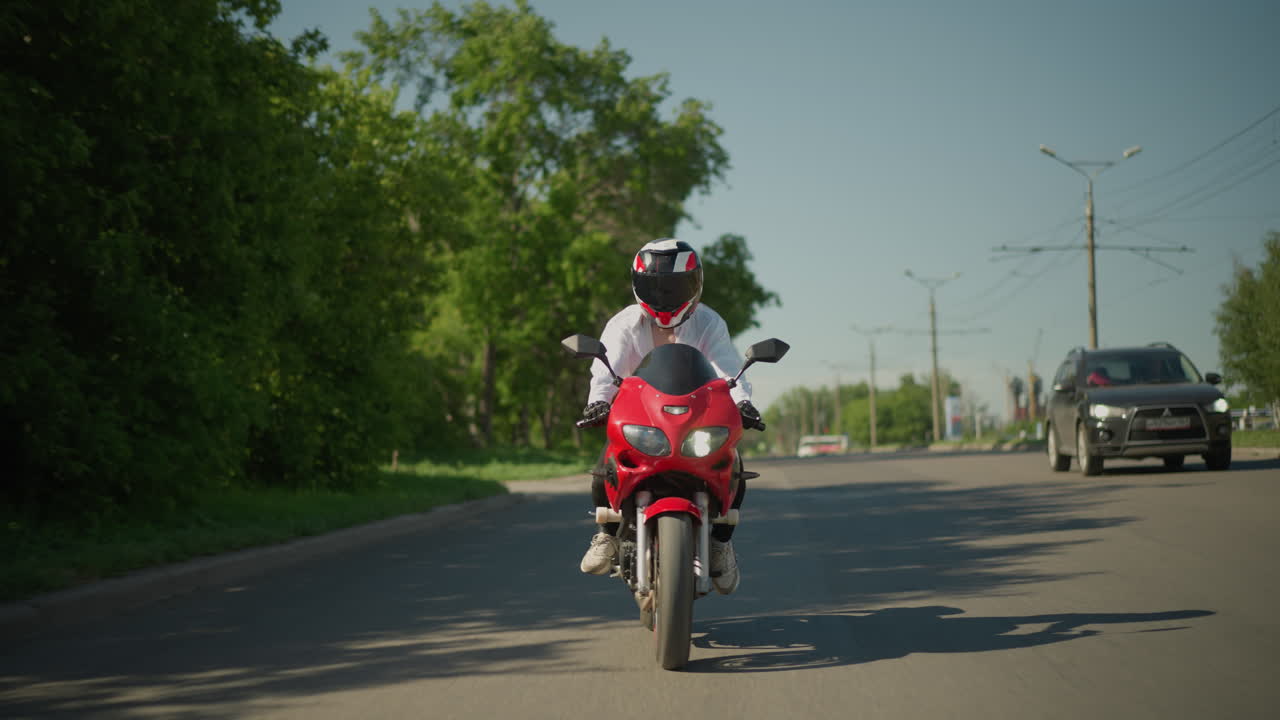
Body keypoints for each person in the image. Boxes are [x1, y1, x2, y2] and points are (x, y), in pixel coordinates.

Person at [577, 238, 763, 595]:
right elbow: (605, 370)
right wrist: (597, 402)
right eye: (656, 287)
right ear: (638, 286)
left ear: (695, 285)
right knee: (608, 462)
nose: (665, 295)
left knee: (733, 463)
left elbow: (728, 370)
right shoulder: (624, 324)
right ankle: (606, 535)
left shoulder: (709, 322)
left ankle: (721, 541)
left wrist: (742, 401)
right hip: (642, 416)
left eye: (676, 286)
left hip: (695, 417)